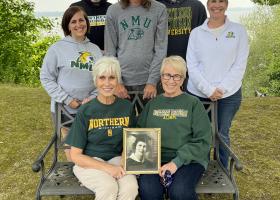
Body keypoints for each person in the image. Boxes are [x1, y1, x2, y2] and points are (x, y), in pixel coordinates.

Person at [137, 56, 212, 200]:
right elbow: (140, 133)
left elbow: (203, 141)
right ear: (161, 77)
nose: (171, 80)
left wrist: (176, 163)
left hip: (188, 160)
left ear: (183, 79)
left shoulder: (193, 104)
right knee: (148, 191)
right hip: (155, 160)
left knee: (180, 191)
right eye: (167, 75)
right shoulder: (152, 104)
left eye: (176, 76)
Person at [186, 0, 249, 169]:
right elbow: (191, 65)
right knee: (201, 134)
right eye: (213, 1)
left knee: (222, 133)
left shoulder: (239, 31)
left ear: (227, 4)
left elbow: (239, 64)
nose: (217, 5)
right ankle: (201, 168)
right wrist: (208, 89)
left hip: (228, 95)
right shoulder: (196, 33)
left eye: (221, 1)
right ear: (208, 4)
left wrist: (221, 89)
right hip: (198, 93)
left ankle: (222, 169)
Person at [65, 56, 138, 200]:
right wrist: (109, 169)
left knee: (130, 188)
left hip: (118, 159)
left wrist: (123, 163)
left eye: (112, 77)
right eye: (102, 78)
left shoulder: (126, 107)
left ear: (117, 80)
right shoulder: (86, 110)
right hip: (89, 162)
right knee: (108, 187)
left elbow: (132, 142)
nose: (107, 83)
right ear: (95, 81)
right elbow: (75, 155)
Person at [40, 6, 103, 160]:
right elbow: (46, 78)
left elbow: (101, 79)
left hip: (90, 109)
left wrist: (93, 97)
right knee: (72, 155)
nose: (78, 24)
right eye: (73, 21)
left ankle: (90, 178)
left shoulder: (95, 50)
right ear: (67, 26)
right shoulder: (57, 49)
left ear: (87, 23)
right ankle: (75, 179)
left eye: (81, 20)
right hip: (64, 110)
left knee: (90, 150)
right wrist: (67, 100)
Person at [105, 0, 168, 102]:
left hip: (150, 82)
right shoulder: (113, 11)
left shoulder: (159, 9)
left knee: (151, 118)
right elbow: (110, 51)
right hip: (121, 84)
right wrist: (117, 81)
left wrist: (152, 81)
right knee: (125, 118)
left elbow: (161, 49)